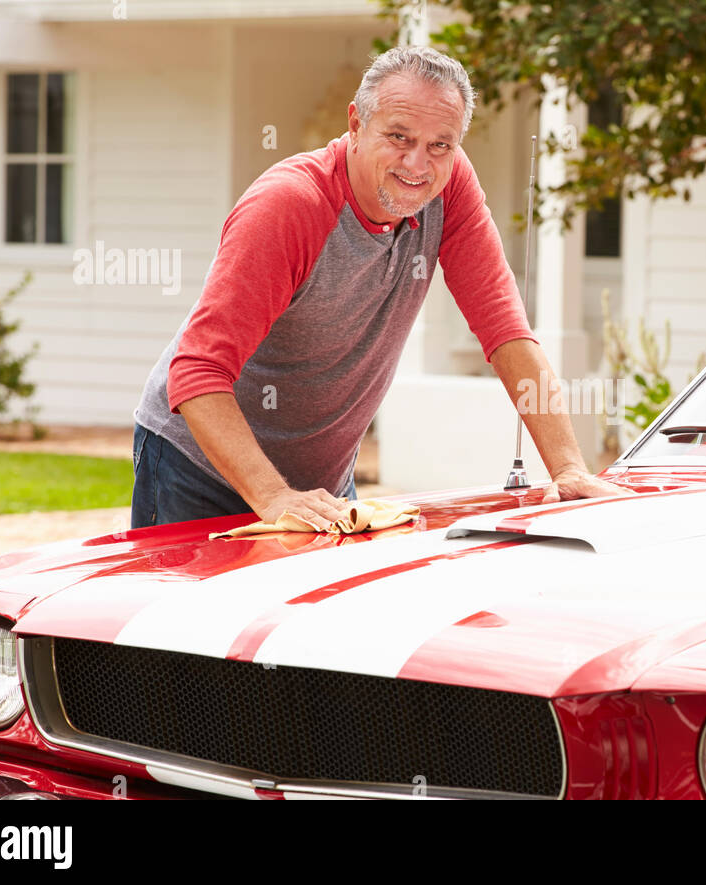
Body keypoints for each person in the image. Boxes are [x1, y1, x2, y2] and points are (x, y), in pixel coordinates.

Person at [131, 46, 626, 530]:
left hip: (320, 488)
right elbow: (197, 371)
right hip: (195, 470)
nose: (417, 163)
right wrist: (274, 495)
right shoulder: (288, 207)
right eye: (398, 136)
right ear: (355, 123)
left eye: (440, 145)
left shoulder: (448, 187)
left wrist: (568, 469)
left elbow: (505, 331)